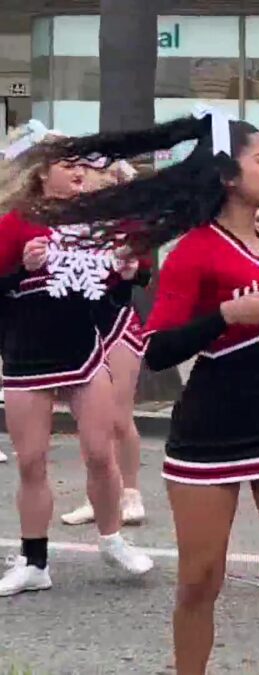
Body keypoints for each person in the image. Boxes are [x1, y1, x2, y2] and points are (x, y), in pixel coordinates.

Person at [25, 113, 259, 674]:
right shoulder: (194, 250)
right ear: (228, 176)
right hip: (210, 430)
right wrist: (226, 315)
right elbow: (158, 350)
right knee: (199, 580)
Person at [0, 125, 155, 598]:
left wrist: (126, 272)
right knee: (31, 462)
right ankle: (34, 561)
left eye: (81, 166)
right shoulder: (15, 222)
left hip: (82, 353)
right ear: (40, 173)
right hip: (26, 358)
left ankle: (112, 539)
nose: (78, 173)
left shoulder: (92, 220)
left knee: (99, 452)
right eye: (68, 165)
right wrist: (20, 270)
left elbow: (116, 287)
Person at [61, 159, 149, 527]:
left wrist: (132, 269)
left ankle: (130, 493)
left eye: (91, 169)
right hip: (80, 323)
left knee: (118, 415)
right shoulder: (68, 219)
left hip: (118, 322)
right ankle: (97, 495)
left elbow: (144, 270)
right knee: (89, 419)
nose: (83, 176)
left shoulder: (126, 220)